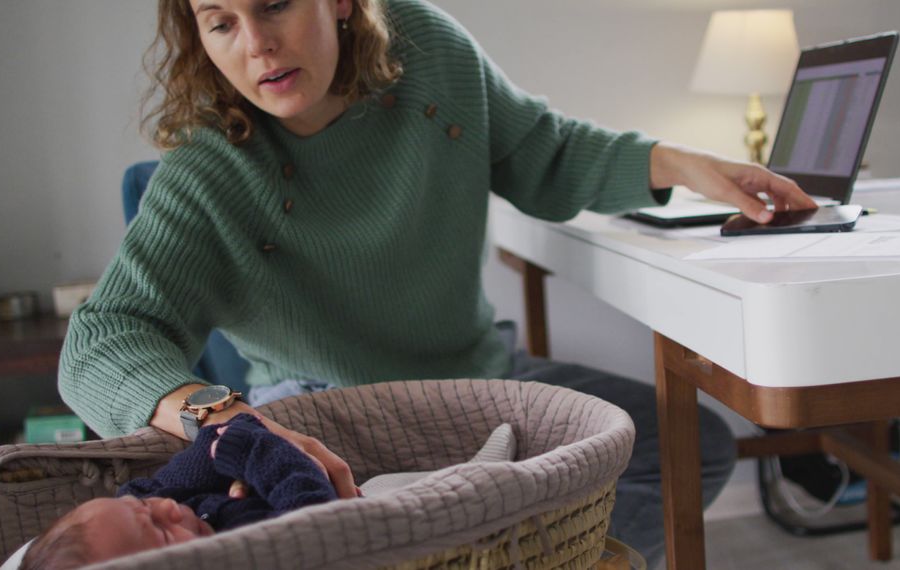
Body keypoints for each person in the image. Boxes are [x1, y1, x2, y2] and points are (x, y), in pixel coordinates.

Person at [58, 0, 816, 564]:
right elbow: (102, 338)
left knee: (693, 447)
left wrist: (687, 165)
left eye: (275, 4)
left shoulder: (428, 52)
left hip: (479, 382)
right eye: (220, 21)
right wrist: (222, 420)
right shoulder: (208, 168)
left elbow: (542, 151)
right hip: (333, 412)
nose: (257, 45)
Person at [14, 415, 517, 569]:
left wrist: (233, 450)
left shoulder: (159, 502)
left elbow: (221, 437)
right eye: (161, 530)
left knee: (386, 485)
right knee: (419, 499)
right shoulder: (250, 549)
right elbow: (316, 519)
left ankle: (487, 466)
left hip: (356, 492)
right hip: (373, 523)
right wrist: (254, 462)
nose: (167, 507)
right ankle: (490, 476)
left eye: (143, 506)